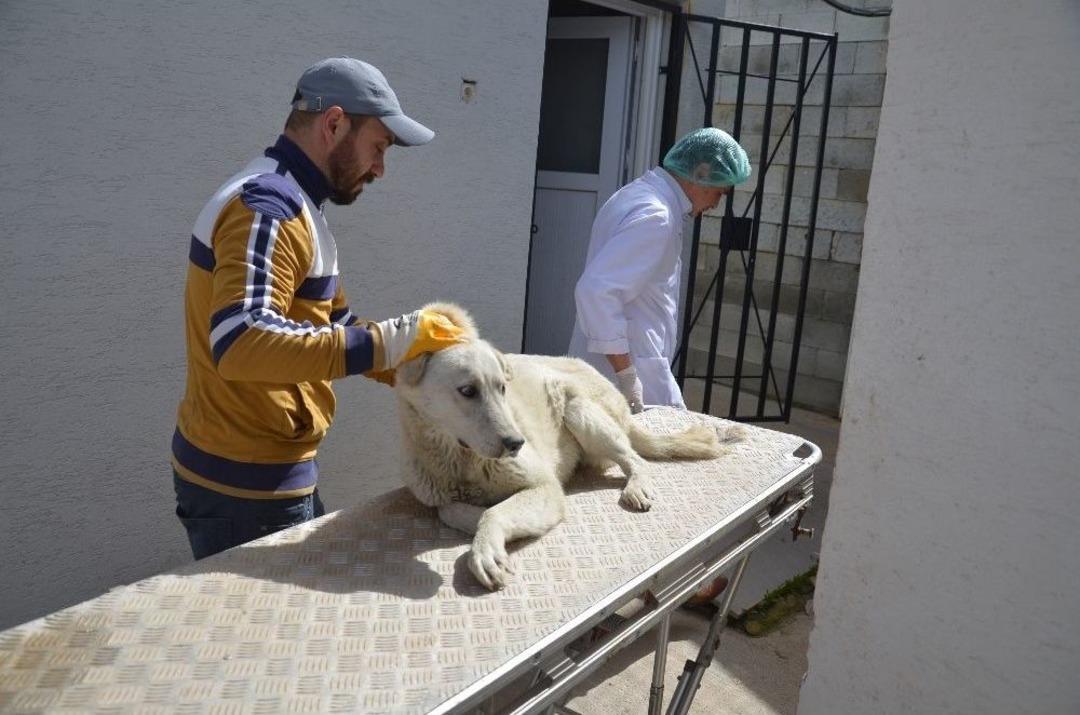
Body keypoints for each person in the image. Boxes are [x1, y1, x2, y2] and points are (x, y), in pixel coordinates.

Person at [171, 57, 466, 559]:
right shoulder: (266, 206)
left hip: (269, 476)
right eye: (379, 146)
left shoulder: (303, 207)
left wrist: (433, 372)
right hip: (245, 490)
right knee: (263, 637)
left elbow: (334, 326)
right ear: (333, 124)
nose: (379, 168)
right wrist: (392, 338)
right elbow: (241, 341)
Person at [567, 127, 752, 413]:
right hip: (627, 372)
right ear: (701, 174)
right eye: (720, 192)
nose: (716, 204)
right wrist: (627, 378)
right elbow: (596, 292)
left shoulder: (638, 194)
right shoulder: (657, 216)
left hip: (612, 367)